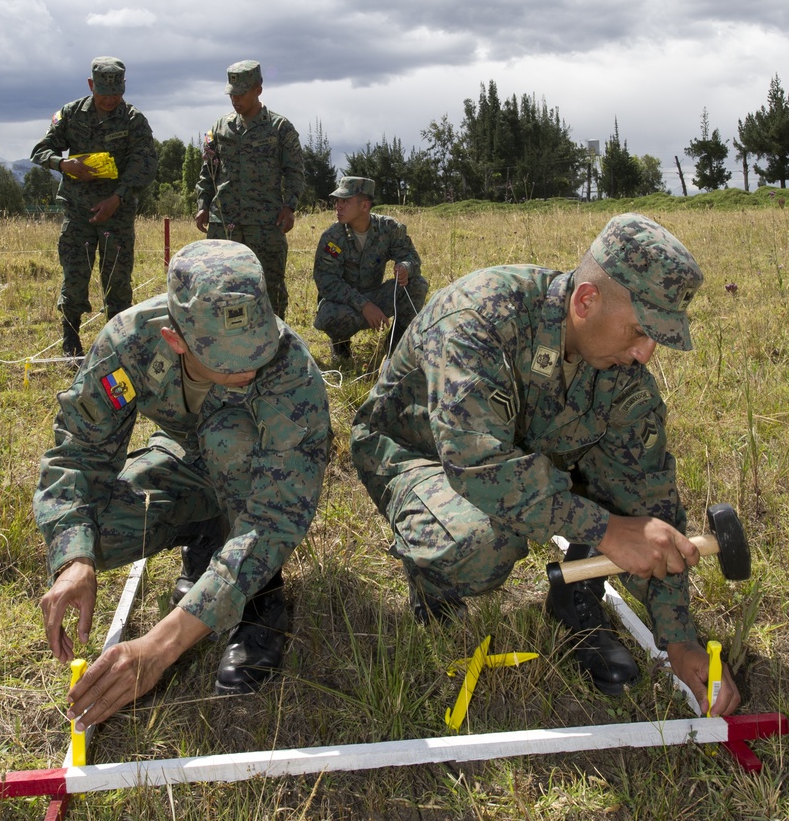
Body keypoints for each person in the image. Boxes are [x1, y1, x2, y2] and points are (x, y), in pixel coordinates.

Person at [350, 213, 741, 715]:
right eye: (641, 331)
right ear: (585, 301)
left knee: (617, 491)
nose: (646, 354)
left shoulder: (623, 376)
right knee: (482, 543)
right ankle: (432, 580)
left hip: (520, 457)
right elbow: (475, 464)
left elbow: (649, 500)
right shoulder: (481, 316)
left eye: (656, 341)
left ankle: (576, 592)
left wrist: (678, 638)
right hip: (416, 451)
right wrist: (606, 529)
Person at [34, 240, 329, 721]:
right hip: (189, 469)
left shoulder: (290, 368)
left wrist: (159, 646)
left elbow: (276, 516)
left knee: (228, 439)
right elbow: (79, 452)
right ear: (176, 340)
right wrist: (74, 558)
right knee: (96, 530)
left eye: (257, 348)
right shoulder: (130, 342)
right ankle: (207, 532)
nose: (251, 367)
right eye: (229, 360)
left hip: (254, 485)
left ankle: (259, 600)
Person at [30, 57, 157, 358]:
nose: (111, 100)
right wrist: (64, 164)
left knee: (117, 282)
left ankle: (117, 346)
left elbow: (146, 165)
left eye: (117, 94)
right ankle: (70, 341)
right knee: (74, 276)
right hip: (78, 213)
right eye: (104, 94)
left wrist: (118, 198)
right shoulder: (71, 115)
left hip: (117, 214)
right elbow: (40, 150)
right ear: (91, 86)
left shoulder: (133, 120)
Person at [194, 61, 304, 319]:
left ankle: (275, 341)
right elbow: (207, 172)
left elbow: (295, 171)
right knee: (221, 287)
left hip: (265, 225)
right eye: (231, 94)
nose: (235, 99)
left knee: (270, 286)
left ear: (258, 90)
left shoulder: (280, 128)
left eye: (241, 93)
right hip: (225, 224)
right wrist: (203, 205)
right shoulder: (220, 128)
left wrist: (290, 206)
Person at [313, 176, 429, 365]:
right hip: (344, 304)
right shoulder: (332, 237)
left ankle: (394, 346)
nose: (338, 206)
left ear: (364, 206)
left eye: (345, 201)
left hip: (376, 295)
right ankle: (340, 346)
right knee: (329, 316)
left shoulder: (388, 228)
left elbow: (411, 257)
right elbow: (326, 282)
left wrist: (405, 268)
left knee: (417, 285)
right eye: (338, 201)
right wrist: (364, 306)